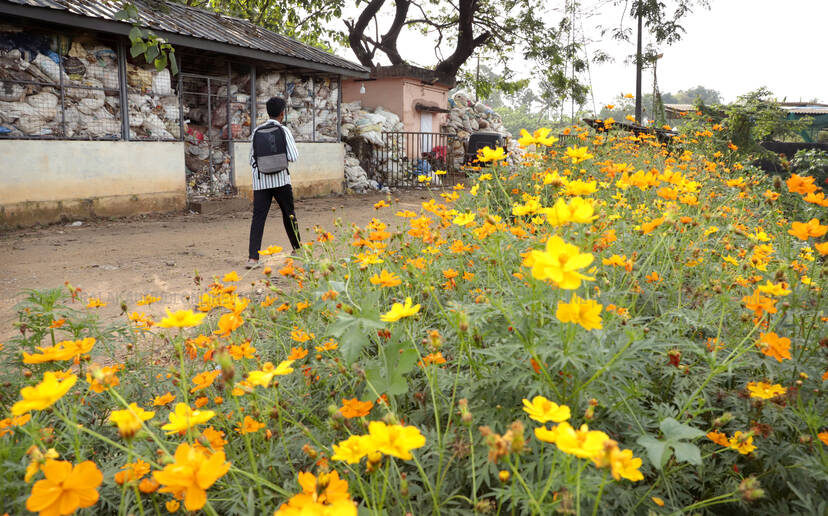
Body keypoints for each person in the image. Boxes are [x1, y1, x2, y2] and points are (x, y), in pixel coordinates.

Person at [246, 97, 301, 269]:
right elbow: (293, 156)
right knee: (289, 214)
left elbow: (251, 160)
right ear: (282, 113)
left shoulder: (256, 131)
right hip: (281, 180)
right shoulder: (284, 130)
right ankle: (298, 250)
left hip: (260, 182)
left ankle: (253, 258)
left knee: (258, 218)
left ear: (268, 112)